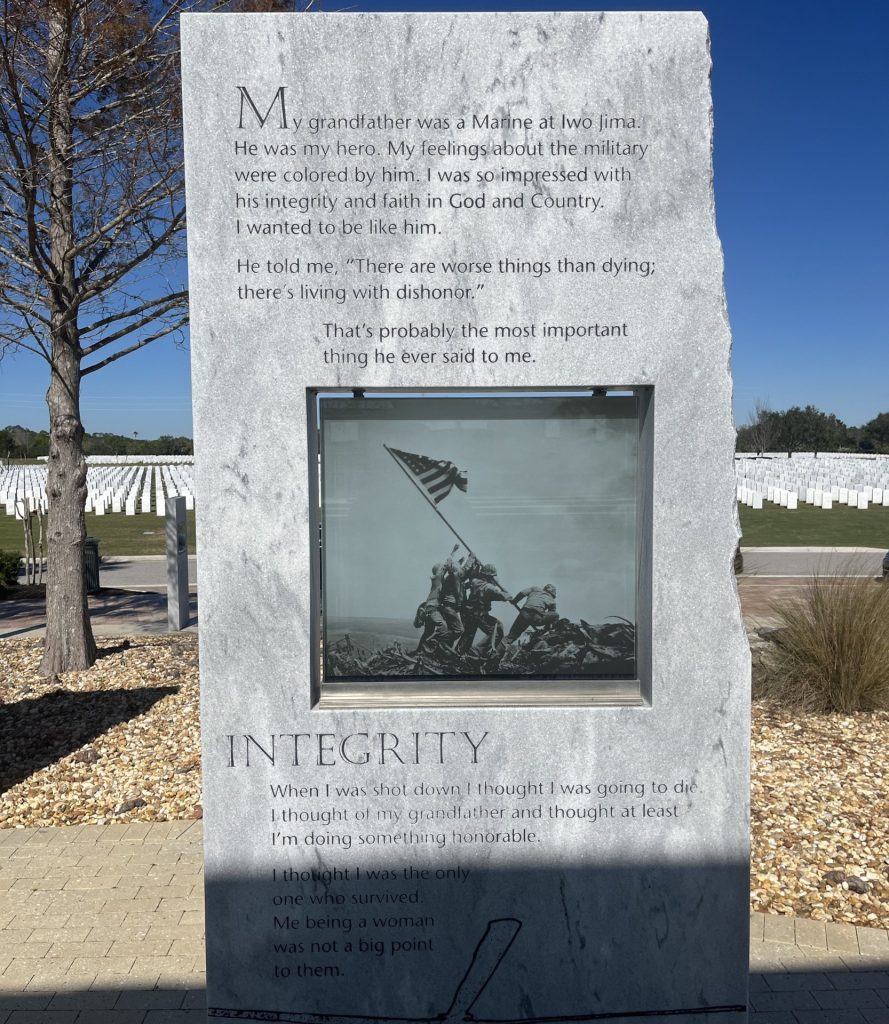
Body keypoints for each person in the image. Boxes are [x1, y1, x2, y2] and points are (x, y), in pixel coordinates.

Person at [459, 563, 513, 657]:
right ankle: (476, 651)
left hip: (468, 613)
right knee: (497, 630)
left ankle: (459, 654)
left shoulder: (475, 582)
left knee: (468, 636)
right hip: (480, 615)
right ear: (490, 577)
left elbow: (469, 584)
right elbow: (507, 597)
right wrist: (503, 590)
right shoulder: (489, 588)